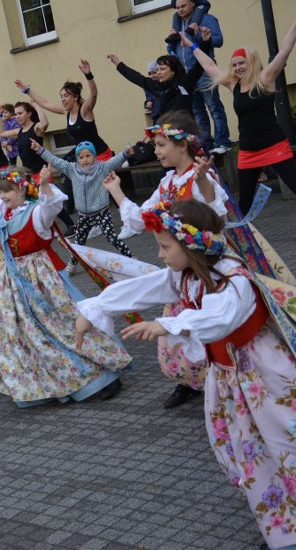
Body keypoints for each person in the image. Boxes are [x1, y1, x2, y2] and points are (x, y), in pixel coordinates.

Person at [75, 199, 296, 550]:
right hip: (231, 380)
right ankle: (292, 527)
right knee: (255, 453)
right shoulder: (187, 275)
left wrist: (167, 324)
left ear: (191, 245)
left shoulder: (233, 277)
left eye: (165, 247)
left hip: (266, 377)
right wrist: (97, 308)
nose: (161, 255)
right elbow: (143, 288)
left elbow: (220, 317)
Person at [0, 166, 131, 407]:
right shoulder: (3, 211)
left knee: (67, 324)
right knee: (30, 333)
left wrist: (43, 185)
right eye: (0, 192)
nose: (1, 197)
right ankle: (54, 381)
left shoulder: (36, 213)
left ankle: (106, 373)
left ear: (21, 188)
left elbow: (52, 206)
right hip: (14, 280)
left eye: (6, 191)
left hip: (42, 279)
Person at [186, 0, 296, 243]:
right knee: (244, 198)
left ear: (252, 62)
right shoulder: (233, 84)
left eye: (241, 63)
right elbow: (208, 65)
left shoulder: (266, 78)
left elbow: (285, 49)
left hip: (274, 145)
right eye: (234, 64)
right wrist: (192, 44)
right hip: (248, 150)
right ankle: (239, 236)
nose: (237, 67)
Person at [104, 112, 228, 409]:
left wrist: (206, 186)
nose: (156, 151)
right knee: (173, 330)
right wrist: (116, 191)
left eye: (161, 145)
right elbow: (140, 220)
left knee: (211, 327)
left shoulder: (202, 175)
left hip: (208, 268)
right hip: (182, 269)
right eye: (156, 145)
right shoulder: (168, 182)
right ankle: (188, 383)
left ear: (182, 145)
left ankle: (223, 383)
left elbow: (219, 220)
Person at [31, 139, 136, 271]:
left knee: (112, 238)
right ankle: (73, 264)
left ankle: (131, 258)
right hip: (83, 215)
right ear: (77, 159)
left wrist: (125, 154)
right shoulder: (72, 169)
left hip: (101, 213)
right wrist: (40, 149)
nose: (85, 160)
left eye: (88, 156)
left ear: (94, 156)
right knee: (79, 243)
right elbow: (55, 160)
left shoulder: (102, 168)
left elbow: (114, 161)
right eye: (81, 157)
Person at [0, 99, 77, 236]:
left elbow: (45, 123)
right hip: (29, 173)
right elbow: (0, 133)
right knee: (33, 201)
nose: (17, 116)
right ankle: (46, 228)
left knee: (48, 200)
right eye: (15, 114)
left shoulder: (36, 128)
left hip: (41, 172)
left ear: (28, 114)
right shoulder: (18, 131)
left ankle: (71, 225)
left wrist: (37, 106)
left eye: (20, 113)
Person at [167, 0, 232, 154]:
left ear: (193, 4)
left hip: (204, 72)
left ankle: (223, 142)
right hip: (187, 76)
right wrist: (171, 47)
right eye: (177, 7)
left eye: (183, 6)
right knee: (197, 112)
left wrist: (197, 35)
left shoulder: (207, 19)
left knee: (214, 107)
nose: (180, 10)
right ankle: (206, 144)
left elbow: (218, 40)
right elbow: (174, 48)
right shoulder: (177, 24)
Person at [16, 59, 114, 161]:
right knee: (65, 164)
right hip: (84, 156)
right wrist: (27, 90)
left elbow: (93, 94)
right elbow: (45, 104)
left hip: (100, 155)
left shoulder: (85, 110)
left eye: (66, 96)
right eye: (61, 96)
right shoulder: (66, 111)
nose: (62, 99)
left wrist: (88, 75)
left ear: (75, 97)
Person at [109, 42, 211, 121]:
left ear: (173, 71)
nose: (158, 73)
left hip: (186, 131)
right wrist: (118, 64)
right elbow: (137, 78)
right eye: (157, 69)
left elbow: (199, 66)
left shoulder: (184, 82)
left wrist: (205, 41)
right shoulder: (156, 86)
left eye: (162, 69)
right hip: (166, 132)